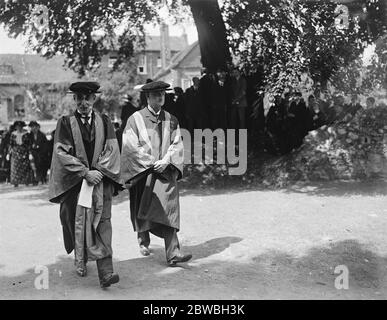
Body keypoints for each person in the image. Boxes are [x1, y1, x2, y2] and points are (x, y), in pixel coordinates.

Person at [48, 81, 121, 288]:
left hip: (100, 181)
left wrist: (98, 171)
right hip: (76, 184)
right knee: (75, 222)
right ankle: (80, 259)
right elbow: (60, 152)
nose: (83, 102)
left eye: (87, 98)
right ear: (74, 100)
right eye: (79, 98)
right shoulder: (65, 123)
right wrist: (84, 172)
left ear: (94, 99)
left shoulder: (105, 121)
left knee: (103, 223)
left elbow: (112, 150)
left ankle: (106, 273)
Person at [121, 80, 192, 266]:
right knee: (142, 205)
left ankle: (173, 252)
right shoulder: (134, 119)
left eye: (162, 94)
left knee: (169, 207)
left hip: (165, 171)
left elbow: (177, 144)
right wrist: (151, 163)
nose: (160, 97)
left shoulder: (172, 119)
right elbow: (130, 147)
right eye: (156, 95)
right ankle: (143, 240)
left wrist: (167, 160)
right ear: (147, 97)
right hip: (143, 171)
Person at [9, 121, 34, 187]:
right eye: (17, 126)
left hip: (24, 152)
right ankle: (15, 182)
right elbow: (11, 144)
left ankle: (26, 181)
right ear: (15, 127)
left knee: (25, 166)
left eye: (20, 126)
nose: (19, 128)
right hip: (15, 152)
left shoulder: (26, 134)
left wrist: (30, 153)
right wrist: (9, 153)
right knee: (15, 167)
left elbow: (29, 144)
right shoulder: (13, 134)